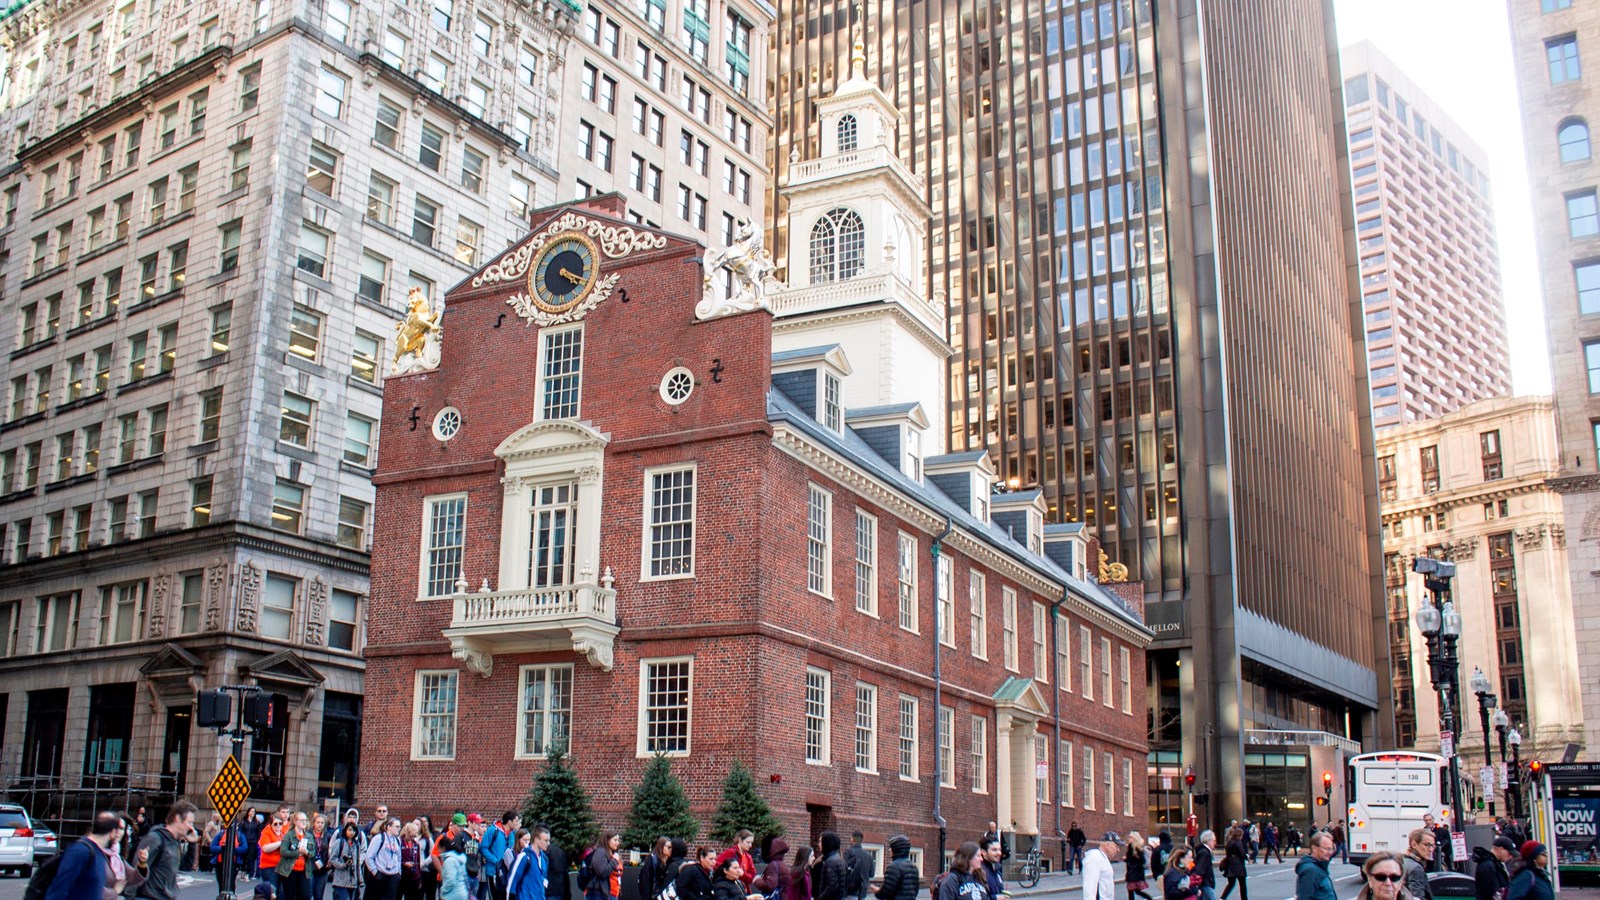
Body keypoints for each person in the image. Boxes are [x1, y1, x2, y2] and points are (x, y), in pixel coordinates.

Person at [135, 799, 198, 900]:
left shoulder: (174, 841)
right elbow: (136, 871)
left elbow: (186, 866)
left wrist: (192, 844)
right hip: (149, 897)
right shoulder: (155, 838)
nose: (191, 828)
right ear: (177, 819)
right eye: (189, 823)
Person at [276, 812, 317, 900]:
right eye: (301, 820)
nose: (304, 822)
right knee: (290, 896)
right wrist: (298, 853)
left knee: (305, 896)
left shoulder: (309, 836)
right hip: (290, 871)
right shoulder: (288, 835)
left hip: (304, 871)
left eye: (305, 820)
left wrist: (306, 852)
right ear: (295, 821)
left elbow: (313, 853)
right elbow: (283, 852)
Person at [481, 813, 520, 900]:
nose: (517, 823)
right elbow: (483, 848)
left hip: (507, 873)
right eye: (516, 821)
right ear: (509, 821)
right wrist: (495, 861)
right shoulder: (493, 830)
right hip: (493, 871)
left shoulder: (512, 834)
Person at [508, 828, 549, 900]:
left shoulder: (544, 859)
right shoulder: (525, 857)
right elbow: (512, 880)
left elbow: (543, 881)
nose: (548, 843)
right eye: (546, 840)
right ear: (536, 840)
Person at [330, 821, 365, 900]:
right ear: (345, 830)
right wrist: (343, 865)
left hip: (353, 881)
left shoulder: (356, 844)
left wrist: (360, 879)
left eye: (354, 830)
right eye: (349, 830)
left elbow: (357, 863)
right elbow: (333, 859)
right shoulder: (340, 842)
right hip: (341, 881)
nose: (351, 832)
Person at [1294, 833, 1336, 900]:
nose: (1330, 852)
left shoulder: (1320, 867)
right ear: (1314, 848)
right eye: (1327, 849)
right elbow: (1306, 897)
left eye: (1331, 849)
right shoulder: (1310, 870)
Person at [212, 822, 249, 894]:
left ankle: (231, 895)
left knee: (231, 883)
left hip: (234, 863)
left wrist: (233, 849)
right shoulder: (220, 835)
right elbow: (212, 847)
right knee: (221, 883)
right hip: (220, 862)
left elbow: (244, 848)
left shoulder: (240, 835)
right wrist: (222, 848)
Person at [878, 835, 919, 900]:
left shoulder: (893, 867)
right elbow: (915, 891)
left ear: (895, 849)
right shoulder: (914, 867)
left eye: (891, 848)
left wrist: (877, 892)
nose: (889, 850)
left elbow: (886, 892)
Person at [584, 832, 622, 900]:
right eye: (615, 840)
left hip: (607, 892)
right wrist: (614, 861)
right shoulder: (600, 852)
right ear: (607, 840)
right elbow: (602, 872)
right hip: (597, 893)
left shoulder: (609, 853)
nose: (618, 843)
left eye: (618, 840)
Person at [1401, 829, 1435, 900]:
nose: (1431, 849)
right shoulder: (1416, 868)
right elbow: (1417, 897)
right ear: (1414, 844)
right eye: (1427, 845)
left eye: (1432, 845)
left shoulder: (1403, 861)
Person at [815, 832, 849, 900]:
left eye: (821, 842)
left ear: (827, 843)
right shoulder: (839, 859)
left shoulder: (831, 861)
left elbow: (831, 886)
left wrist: (820, 898)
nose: (818, 844)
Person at [845, 832, 875, 900]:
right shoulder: (869, 855)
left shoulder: (848, 852)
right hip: (863, 892)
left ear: (852, 839)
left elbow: (844, 870)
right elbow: (872, 874)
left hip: (850, 891)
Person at [441, 834, 472, 900]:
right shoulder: (460, 858)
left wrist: (443, 890)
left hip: (452, 895)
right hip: (462, 892)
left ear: (442, 848)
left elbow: (450, 880)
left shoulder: (449, 860)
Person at [1220, 829, 1248, 900]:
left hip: (1230, 865)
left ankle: (1223, 897)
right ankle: (1244, 898)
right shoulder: (1238, 842)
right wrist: (1246, 857)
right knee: (1242, 885)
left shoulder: (1229, 842)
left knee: (1231, 884)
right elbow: (1242, 854)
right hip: (1239, 866)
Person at [1126, 832, 1153, 900]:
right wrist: (1126, 860)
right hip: (1133, 872)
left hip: (1134, 873)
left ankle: (1149, 898)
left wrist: (1133, 866)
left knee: (1132, 891)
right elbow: (1131, 859)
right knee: (1136, 891)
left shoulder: (1136, 848)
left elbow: (1142, 860)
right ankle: (1149, 898)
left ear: (1134, 838)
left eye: (1130, 837)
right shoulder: (1131, 847)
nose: (1129, 838)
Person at [312, 814, 333, 900]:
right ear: (314, 823)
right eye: (318, 822)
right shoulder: (308, 834)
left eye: (322, 823)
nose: (320, 824)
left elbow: (331, 849)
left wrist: (329, 860)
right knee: (308, 893)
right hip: (311, 868)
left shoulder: (328, 836)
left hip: (323, 868)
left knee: (319, 895)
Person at [1194, 832, 1217, 900]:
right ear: (1208, 841)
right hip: (1206, 883)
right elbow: (1200, 869)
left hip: (1205, 883)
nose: (1215, 843)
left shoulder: (1203, 851)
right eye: (1214, 841)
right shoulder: (1204, 853)